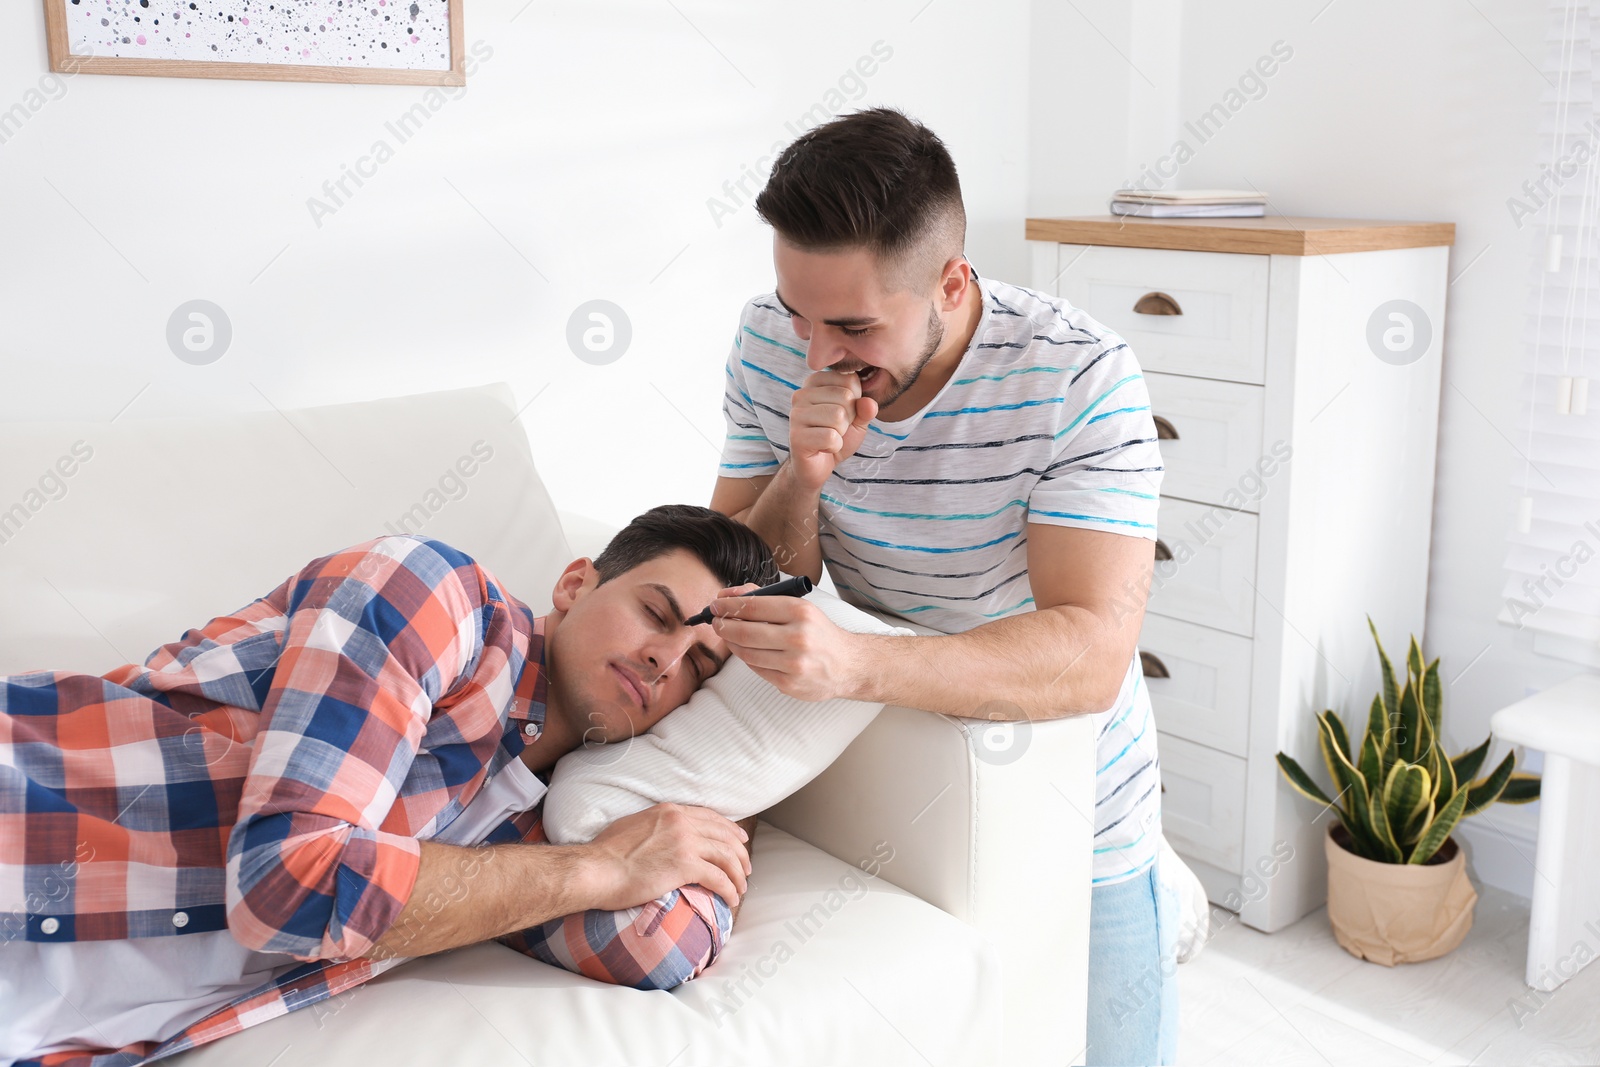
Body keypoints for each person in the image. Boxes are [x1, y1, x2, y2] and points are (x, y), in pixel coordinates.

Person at [707, 108, 1178, 1065]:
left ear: (952, 283)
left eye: (851, 325)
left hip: (1068, 804)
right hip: (887, 788)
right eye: (798, 312)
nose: (815, 353)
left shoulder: (1078, 377)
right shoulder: (771, 339)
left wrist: (853, 659)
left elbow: (1090, 653)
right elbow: (739, 576)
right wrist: (801, 477)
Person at [0, 505, 776, 1067]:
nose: (664, 660)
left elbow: (661, 948)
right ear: (575, 583)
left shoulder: (542, 827)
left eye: (699, 669)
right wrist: (599, 871)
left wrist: (661, 830)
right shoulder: (439, 596)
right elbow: (285, 883)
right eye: (656, 613)